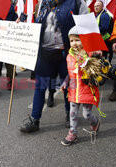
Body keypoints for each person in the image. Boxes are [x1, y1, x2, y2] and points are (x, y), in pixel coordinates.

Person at [20, 0, 89, 133]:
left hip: (67, 55)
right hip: (45, 54)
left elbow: (87, 29)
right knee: (40, 87)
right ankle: (35, 120)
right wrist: (22, 26)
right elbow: (37, 26)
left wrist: (86, 53)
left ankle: (70, 116)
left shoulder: (77, 3)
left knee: (68, 88)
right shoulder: (43, 3)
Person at [60, 26, 100, 146]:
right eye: (71, 40)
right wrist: (65, 82)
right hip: (73, 89)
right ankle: (73, 133)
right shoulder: (69, 56)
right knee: (72, 113)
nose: (74, 43)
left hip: (86, 89)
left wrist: (92, 59)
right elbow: (70, 71)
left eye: (77, 40)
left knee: (86, 114)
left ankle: (95, 122)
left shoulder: (90, 54)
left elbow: (96, 70)